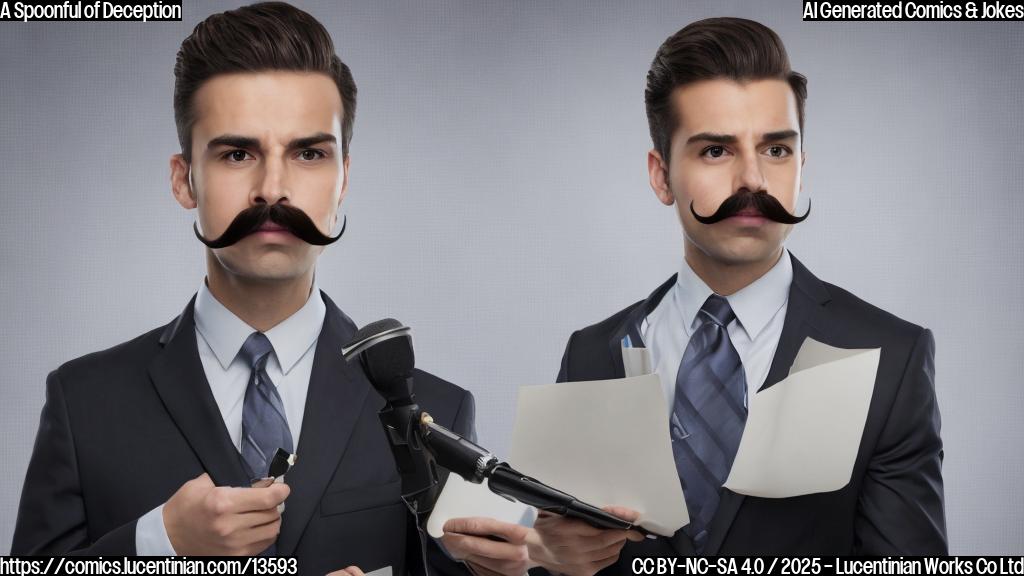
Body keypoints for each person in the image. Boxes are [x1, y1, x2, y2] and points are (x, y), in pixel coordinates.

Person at [444, 16, 947, 573]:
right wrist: (538, 558)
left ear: (802, 166)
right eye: (716, 151)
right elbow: (564, 555)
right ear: (661, 176)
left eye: (777, 150)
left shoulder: (889, 356)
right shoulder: (592, 355)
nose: (753, 179)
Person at [11, 3, 473, 575]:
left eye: (309, 153)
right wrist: (159, 542)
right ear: (185, 180)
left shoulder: (437, 412)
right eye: (237, 153)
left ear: (344, 178)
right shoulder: (83, 402)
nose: (272, 189)